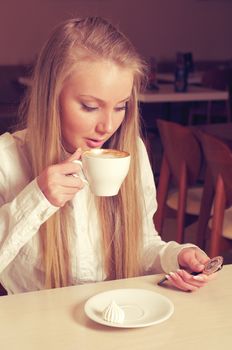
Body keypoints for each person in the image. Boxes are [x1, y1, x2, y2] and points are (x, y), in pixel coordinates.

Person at [0, 17, 215, 294]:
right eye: (90, 107)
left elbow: (143, 245)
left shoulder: (131, 150)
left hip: (115, 319)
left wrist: (176, 257)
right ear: (50, 96)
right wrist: (37, 198)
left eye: (120, 106)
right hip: (39, 328)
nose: (108, 126)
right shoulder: (7, 158)